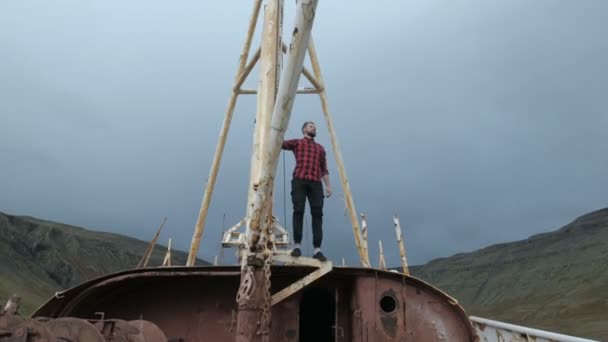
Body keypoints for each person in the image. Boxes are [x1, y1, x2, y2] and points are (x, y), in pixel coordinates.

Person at [282, 121, 332, 261]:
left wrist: (328, 186)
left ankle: (317, 249)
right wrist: (276, 129)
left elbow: (324, 169)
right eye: (311, 126)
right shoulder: (297, 143)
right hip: (300, 180)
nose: (314, 128)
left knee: (317, 214)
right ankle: (297, 246)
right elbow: (279, 143)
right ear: (304, 129)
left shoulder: (320, 149)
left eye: (315, 126)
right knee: (298, 210)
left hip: (316, 183)